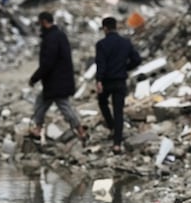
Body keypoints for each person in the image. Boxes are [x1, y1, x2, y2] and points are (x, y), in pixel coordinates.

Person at [28, 11, 86, 144]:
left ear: (43, 22)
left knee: (64, 107)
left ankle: (80, 130)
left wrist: (35, 78)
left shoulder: (51, 38)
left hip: (56, 81)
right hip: (57, 80)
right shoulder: (59, 35)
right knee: (41, 103)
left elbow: (48, 62)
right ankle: (38, 128)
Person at [95, 16, 142, 154]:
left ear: (105, 28)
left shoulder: (101, 44)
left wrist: (99, 80)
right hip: (120, 81)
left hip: (106, 81)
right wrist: (125, 68)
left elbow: (101, 64)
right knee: (118, 111)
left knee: (102, 102)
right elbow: (137, 59)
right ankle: (117, 144)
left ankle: (111, 126)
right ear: (116, 27)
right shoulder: (125, 43)